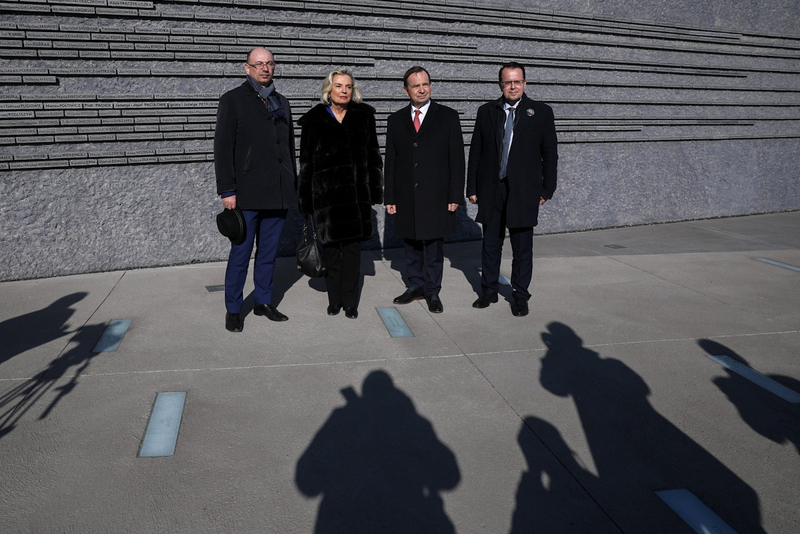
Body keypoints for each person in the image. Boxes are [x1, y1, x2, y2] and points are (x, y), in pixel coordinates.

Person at [214, 48, 297, 332]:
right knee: (241, 253)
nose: (265, 68)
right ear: (246, 68)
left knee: (268, 253)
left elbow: (288, 149)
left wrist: (292, 184)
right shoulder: (233, 100)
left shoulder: (281, 102)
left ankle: (263, 302)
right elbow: (223, 148)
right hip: (246, 192)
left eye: (270, 63)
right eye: (259, 64)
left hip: (278, 192)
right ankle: (234, 309)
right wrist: (227, 190)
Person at [467, 62, 558, 317]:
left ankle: (520, 296)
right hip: (491, 189)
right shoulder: (487, 111)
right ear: (500, 85)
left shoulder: (540, 112)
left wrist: (547, 189)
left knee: (522, 248)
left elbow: (549, 154)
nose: (513, 86)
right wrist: (472, 187)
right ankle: (488, 291)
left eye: (517, 81)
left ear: (525, 83)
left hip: (524, 191)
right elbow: (476, 151)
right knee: (491, 245)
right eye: (508, 82)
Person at [297, 68, 383, 319]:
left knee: (353, 255)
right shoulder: (313, 120)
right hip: (326, 200)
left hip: (356, 199)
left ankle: (350, 302)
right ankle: (334, 300)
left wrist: (375, 191)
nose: (344, 91)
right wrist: (305, 201)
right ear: (329, 90)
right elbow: (306, 164)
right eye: (339, 86)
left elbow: (373, 157)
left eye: (348, 86)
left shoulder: (364, 116)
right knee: (332, 253)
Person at [384, 66, 465, 314]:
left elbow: (457, 159)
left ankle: (432, 291)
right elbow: (392, 161)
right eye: (416, 85)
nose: (422, 89)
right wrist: (390, 196)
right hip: (407, 195)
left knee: (433, 247)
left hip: (436, 195)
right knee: (411, 244)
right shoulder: (395, 120)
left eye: (426, 84)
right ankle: (415, 286)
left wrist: (454, 195)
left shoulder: (448, 117)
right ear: (406, 90)